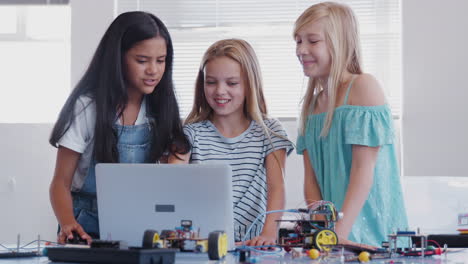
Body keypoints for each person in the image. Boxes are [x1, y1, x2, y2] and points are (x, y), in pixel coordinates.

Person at [49, 11, 190, 244]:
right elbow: (59, 184)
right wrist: (67, 223)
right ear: (117, 58)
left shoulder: (159, 109)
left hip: (140, 225)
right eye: (142, 60)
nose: (153, 70)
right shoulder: (87, 107)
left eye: (161, 60)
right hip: (87, 226)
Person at [294, 2, 408, 247]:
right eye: (298, 41)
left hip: (371, 233)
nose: (301, 49)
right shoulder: (311, 106)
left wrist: (338, 234)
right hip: (334, 237)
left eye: (312, 41)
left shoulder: (363, 87)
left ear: (340, 43)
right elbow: (311, 181)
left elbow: (362, 173)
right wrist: (320, 229)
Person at [182, 39, 294, 246]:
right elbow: (172, 183)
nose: (220, 91)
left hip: (253, 244)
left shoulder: (270, 132)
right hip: (204, 243)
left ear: (249, 84)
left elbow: (277, 187)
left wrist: (269, 234)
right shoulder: (190, 134)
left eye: (232, 83)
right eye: (211, 82)